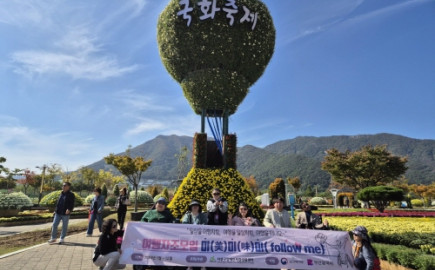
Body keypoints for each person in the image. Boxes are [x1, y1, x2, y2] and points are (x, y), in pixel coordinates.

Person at [182, 200, 207, 270]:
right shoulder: (187, 215)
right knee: (190, 251)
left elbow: (205, 224)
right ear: (191, 207)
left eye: (197, 206)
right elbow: (184, 224)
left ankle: (203, 266)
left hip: (200, 236)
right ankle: (190, 266)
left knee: (201, 251)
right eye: (193, 206)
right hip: (190, 237)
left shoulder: (203, 215)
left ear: (199, 207)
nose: (195, 207)